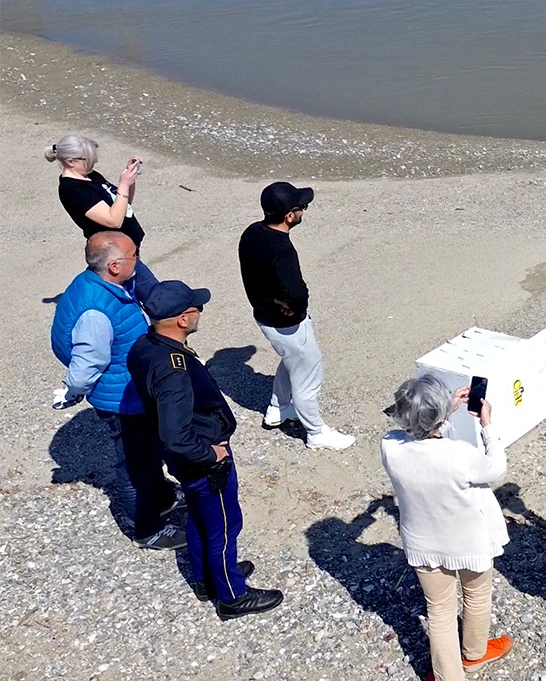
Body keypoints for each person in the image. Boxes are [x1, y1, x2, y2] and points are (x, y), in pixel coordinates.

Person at [128, 281, 284, 619]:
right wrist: (212, 454)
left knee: (200, 518)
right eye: (195, 307)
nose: (200, 311)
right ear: (182, 320)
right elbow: (177, 435)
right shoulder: (173, 369)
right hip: (204, 463)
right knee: (224, 527)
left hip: (186, 463)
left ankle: (206, 579)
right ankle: (231, 595)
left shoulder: (145, 345)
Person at [381, 374, 513, 681]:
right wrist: (486, 427)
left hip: (424, 544)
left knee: (438, 612)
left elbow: (412, 432)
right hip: (470, 542)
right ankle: (474, 654)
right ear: (440, 418)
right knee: (477, 596)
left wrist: (442, 411)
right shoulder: (460, 455)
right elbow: (496, 469)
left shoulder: (391, 447)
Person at [50, 232, 184, 550]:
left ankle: (162, 495)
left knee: (149, 451)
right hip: (123, 399)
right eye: (134, 255)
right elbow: (86, 365)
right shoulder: (95, 313)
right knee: (135, 463)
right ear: (113, 266)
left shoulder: (96, 283)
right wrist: (72, 391)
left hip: (130, 388)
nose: (138, 260)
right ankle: (146, 527)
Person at [237, 181, 354, 451]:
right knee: (309, 372)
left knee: (292, 361)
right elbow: (299, 293)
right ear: (289, 216)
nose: (304, 210)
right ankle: (316, 432)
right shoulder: (283, 251)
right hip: (286, 322)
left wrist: (277, 299)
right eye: (302, 207)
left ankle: (279, 408)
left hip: (264, 313)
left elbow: (256, 276)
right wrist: (292, 303)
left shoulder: (252, 232)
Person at [46, 134, 159, 295]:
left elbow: (121, 206)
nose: (95, 162)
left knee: (133, 293)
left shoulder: (91, 176)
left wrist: (129, 181)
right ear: (71, 161)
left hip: (126, 247)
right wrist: (123, 184)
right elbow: (114, 221)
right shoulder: (73, 189)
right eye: (89, 159)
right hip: (114, 252)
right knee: (155, 297)